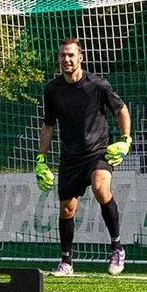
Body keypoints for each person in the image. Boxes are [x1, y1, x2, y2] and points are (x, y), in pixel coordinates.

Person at [34, 37, 132, 277]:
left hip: (98, 152)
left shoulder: (97, 85)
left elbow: (121, 109)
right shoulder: (52, 90)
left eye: (71, 55)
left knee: (100, 188)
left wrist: (126, 139)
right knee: (67, 210)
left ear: (80, 57)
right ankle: (66, 262)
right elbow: (48, 126)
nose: (66, 60)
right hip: (70, 157)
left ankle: (117, 248)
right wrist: (40, 159)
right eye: (63, 56)